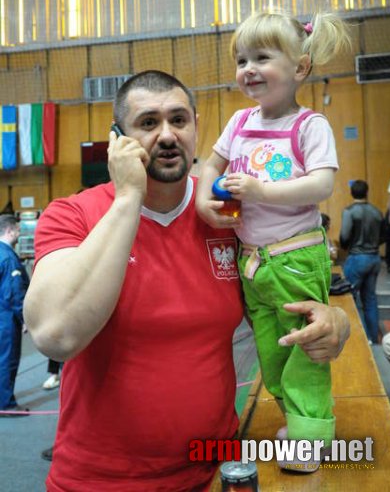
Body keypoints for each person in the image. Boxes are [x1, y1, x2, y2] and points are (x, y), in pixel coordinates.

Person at [24, 70, 350, 491]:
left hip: (216, 472)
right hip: (101, 482)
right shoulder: (73, 215)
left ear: (196, 126)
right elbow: (55, 336)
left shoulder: (228, 214)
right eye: (147, 123)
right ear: (117, 138)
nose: (166, 135)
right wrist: (128, 198)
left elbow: (279, 303)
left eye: (178, 120)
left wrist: (332, 322)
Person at [196, 10, 351, 471]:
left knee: (305, 346)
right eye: (242, 59)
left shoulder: (308, 126)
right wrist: (206, 197)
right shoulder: (240, 121)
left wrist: (262, 191)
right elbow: (210, 164)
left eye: (261, 57)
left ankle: (310, 433)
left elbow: (322, 185)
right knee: (271, 351)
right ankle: (300, 422)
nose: (248, 69)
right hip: (253, 264)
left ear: (299, 68)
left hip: (294, 258)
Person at [339, 180, 385, 344]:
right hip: (374, 258)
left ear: (352, 193)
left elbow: (344, 237)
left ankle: (361, 339)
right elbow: (384, 236)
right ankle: (373, 337)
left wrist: (347, 247)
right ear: (367, 192)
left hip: (357, 258)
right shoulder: (377, 211)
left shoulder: (349, 211)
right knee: (370, 299)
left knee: (350, 298)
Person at [0, 214, 30, 416]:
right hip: (6, 318)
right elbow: (14, 294)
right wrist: (24, 318)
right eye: (18, 230)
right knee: (7, 360)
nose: (20, 234)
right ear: (10, 231)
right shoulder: (9, 258)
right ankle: (6, 404)